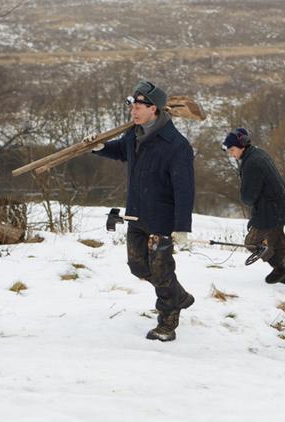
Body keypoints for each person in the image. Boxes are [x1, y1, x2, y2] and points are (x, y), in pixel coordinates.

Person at [91, 80, 195, 342]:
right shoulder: (134, 134)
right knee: (137, 266)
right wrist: (101, 147)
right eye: (133, 105)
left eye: (140, 105)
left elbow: (185, 189)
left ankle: (168, 320)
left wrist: (182, 226)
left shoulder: (176, 145)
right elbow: (123, 151)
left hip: (162, 219)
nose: (134, 110)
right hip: (136, 214)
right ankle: (178, 296)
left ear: (155, 110)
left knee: (161, 270)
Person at [222, 127, 285, 286]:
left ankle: (282, 268)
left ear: (242, 146)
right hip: (280, 206)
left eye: (232, 149)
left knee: (252, 242)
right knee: (277, 241)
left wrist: (247, 200)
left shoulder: (252, 163)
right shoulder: (258, 153)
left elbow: (248, 196)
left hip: (270, 210)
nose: (231, 153)